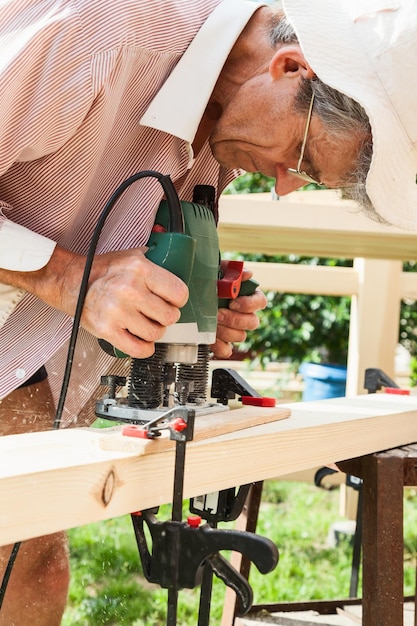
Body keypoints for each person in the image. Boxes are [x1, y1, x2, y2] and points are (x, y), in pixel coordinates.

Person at [0, 0, 413, 622]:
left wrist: (184, 314)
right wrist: (67, 277)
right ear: (291, 66)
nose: (280, 184)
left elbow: (107, 252)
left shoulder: (218, 121)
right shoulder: (105, 37)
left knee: (31, 560)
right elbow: (78, 276)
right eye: (301, 162)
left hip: (19, 346)